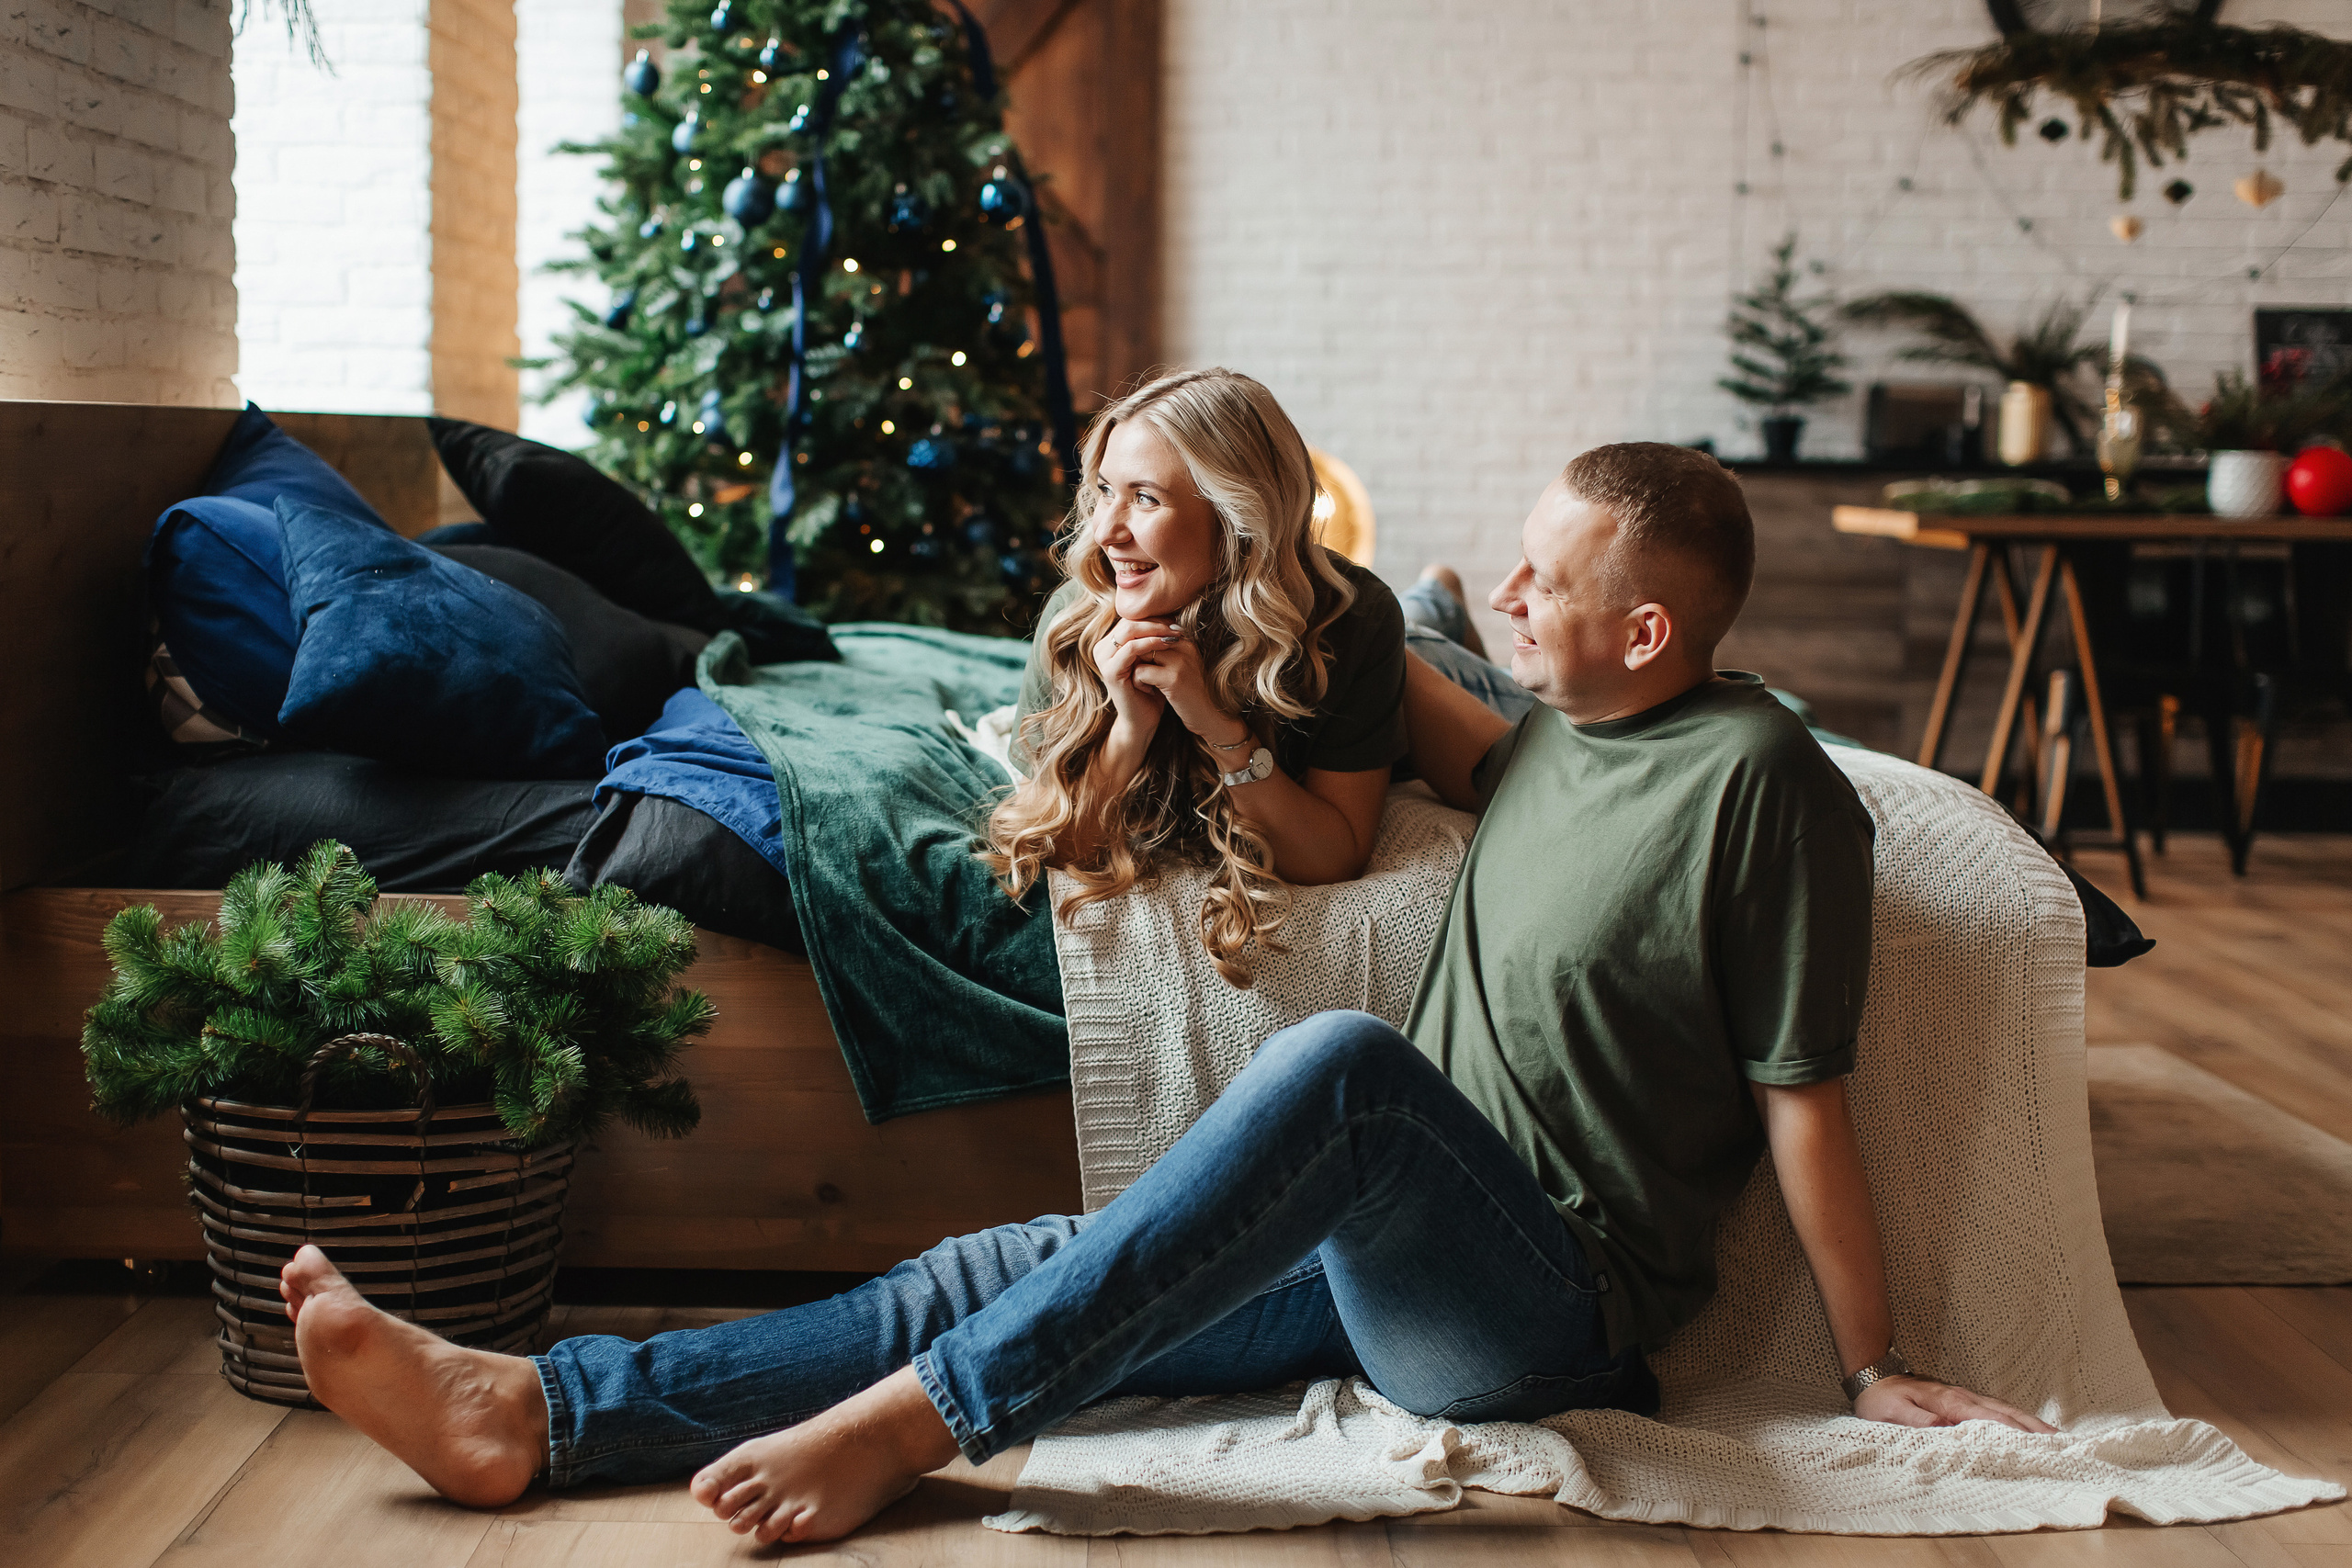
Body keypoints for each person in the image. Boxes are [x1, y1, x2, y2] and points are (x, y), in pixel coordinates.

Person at [275, 440, 2052, 1545]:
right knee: (1001, 1265)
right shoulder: (1546, 745)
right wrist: (1186, 680)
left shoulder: (1767, 786)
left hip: (1539, 1309)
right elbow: (1346, 681)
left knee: (1345, 1065)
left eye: (1542, 577)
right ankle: (533, 1417)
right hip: (1390, 1266)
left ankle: (922, 1429)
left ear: (1649, 632)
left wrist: (1880, 1357)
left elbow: (1802, 1088)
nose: (1503, 590)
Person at [982, 367, 1408, 984]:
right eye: (1104, 490)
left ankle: (1439, 602)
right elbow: (1053, 846)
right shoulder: (1076, 613)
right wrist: (1128, 729)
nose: (1104, 532)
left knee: (1439, 676)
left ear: (1238, 519)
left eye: (1145, 498)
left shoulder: (1355, 619)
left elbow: (1330, 857)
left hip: (1376, 629)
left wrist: (1214, 722)